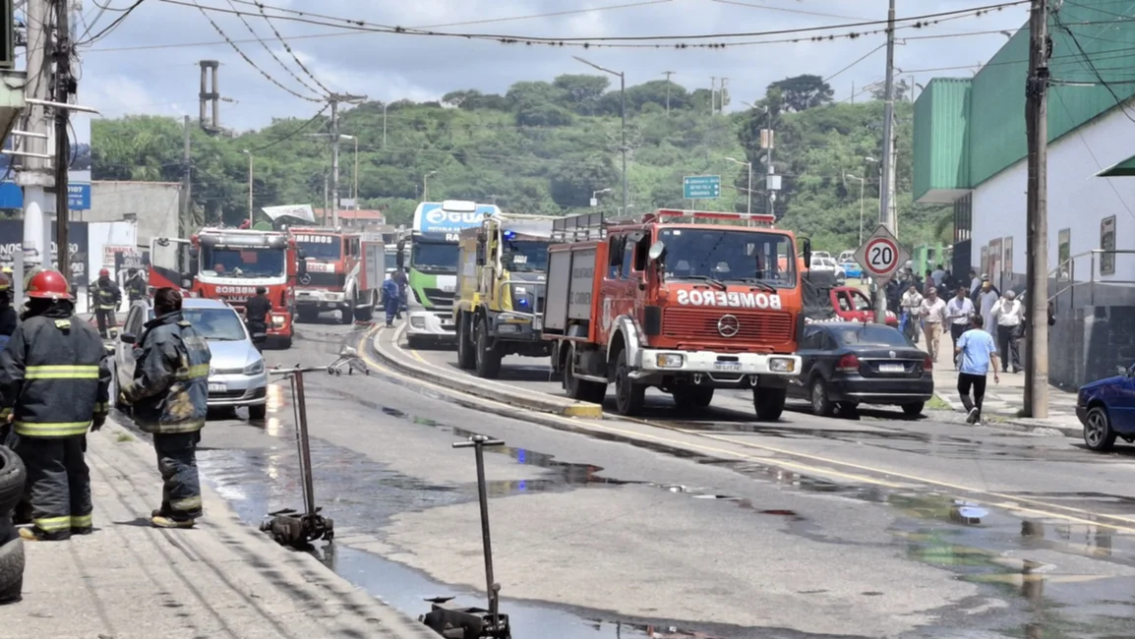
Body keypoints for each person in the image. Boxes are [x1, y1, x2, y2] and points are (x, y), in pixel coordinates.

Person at [0, 269, 110, 541]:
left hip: (41, 417)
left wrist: (3, 410)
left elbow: (9, 375)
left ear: (36, 301)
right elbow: (103, 375)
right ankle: (81, 520)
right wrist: (99, 411)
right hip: (77, 418)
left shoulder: (28, 329)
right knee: (75, 465)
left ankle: (52, 525)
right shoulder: (87, 330)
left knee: (47, 468)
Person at [119, 288, 211, 529]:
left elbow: (153, 378)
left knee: (175, 462)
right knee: (179, 459)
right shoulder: (190, 332)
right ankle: (171, 507)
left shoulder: (161, 336)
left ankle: (183, 514)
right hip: (192, 409)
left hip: (174, 412)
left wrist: (129, 393)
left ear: (157, 307)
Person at [955, 314, 1000, 425]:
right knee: (979, 395)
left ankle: (971, 409)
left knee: (963, 391)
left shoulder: (967, 334)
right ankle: (977, 419)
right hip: (981, 370)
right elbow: (993, 355)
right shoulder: (988, 336)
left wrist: (959, 347)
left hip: (967, 369)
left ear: (973, 323)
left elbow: (957, 349)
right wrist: (996, 372)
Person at [992, 290, 1023, 373]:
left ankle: (1016, 365)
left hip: (1014, 327)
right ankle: (1004, 366)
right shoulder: (1000, 303)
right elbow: (992, 313)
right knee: (1004, 347)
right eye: (1009, 299)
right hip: (1002, 327)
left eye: (1012, 299)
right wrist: (1000, 304)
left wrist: (1019, 326)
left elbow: (1020, 315)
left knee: (1015, 346)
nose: (1011, 301)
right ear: (1006, 297)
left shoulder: (1017, 303)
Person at [919, 286, 948, 363]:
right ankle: (930, 354)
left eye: (933, 294)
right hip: (927, 323)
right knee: (928, 341)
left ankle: (935, 356)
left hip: (937, 323)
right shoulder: (924, 302)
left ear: (936, 294)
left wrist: (945, 326)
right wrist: (925, 313)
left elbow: (945, 315)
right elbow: (921, 314)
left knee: (936, 339)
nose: (931, 295)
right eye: (930, 294)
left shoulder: (942, 303)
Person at [91, 268, 122, 339]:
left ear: (108, 276)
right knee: (100, 321)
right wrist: (93, 290)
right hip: (98, 306)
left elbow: (118, 294)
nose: (104, 278)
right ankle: (102, 333)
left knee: (111, 319)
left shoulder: (112, 284)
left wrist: (118, 303)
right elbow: (90, 289)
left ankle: (113, 332)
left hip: (109, 306)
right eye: (102, 276)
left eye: (105, 276)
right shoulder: (95, 283)